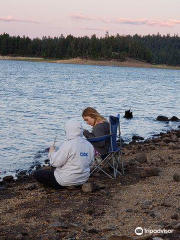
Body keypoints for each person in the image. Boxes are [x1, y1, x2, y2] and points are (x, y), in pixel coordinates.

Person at [33, 119, 94, 189]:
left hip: (64, 180)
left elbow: (55, 163)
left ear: (69, 131)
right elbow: (91, 164)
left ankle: (68, 185)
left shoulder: (68, 144)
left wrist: (51, 152)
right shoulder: (89, 145)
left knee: (37, 173)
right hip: (83, 179)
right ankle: (73, 184)